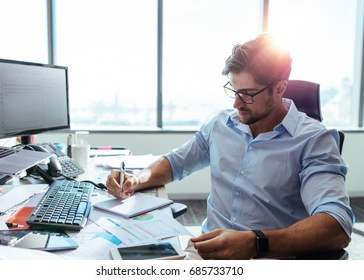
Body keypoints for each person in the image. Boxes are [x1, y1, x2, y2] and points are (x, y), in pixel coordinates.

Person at [106, 33, 355, 259]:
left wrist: (254, 242)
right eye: (233, 91)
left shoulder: (314, 140)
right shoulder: (221, 123)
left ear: (279, 89)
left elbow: (337, 225)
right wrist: (136, 179)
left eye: (247, 94)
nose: (236, 104)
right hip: (204, 251)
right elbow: (175, 163)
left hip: (269, 259)